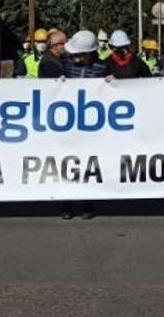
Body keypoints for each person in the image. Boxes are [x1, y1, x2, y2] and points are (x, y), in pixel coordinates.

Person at [59, 30, 113, 220]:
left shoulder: (102, 67)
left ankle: (88, 203)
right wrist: (60, 82)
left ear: (90, 53)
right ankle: (67, 203)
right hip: (69, 122)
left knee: (89, 164)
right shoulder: (66, 65)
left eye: (79, 54)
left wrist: (112, 83)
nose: (75, 58)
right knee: (68, 163)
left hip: (92, 123)